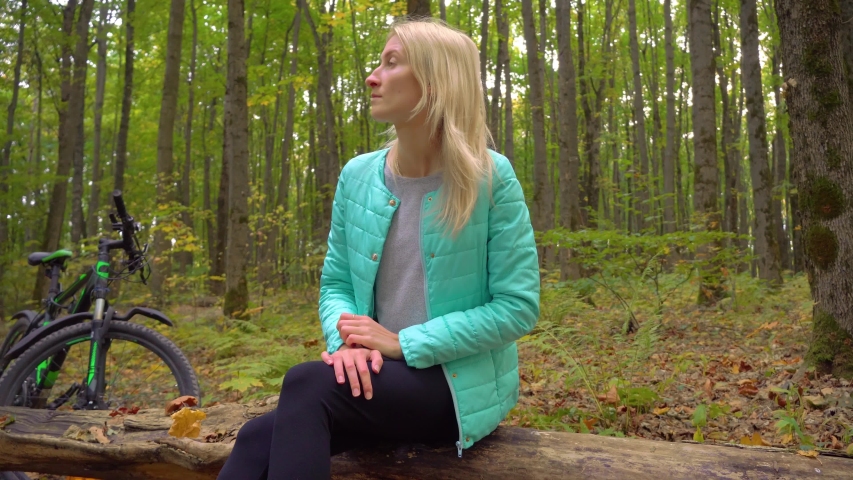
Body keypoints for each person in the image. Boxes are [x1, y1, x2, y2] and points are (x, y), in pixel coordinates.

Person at [216, 18, 540, 480]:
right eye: (378, 63)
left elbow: (517, 307)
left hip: (453, 384)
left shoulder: (491, 178)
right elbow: (337, 283)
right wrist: (347, 345)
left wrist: (402, 344)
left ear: (435, 82)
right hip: (375, 375)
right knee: (255, 438)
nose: (373, 76)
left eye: (392, 63)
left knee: (306, 384)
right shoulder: (358, 176)